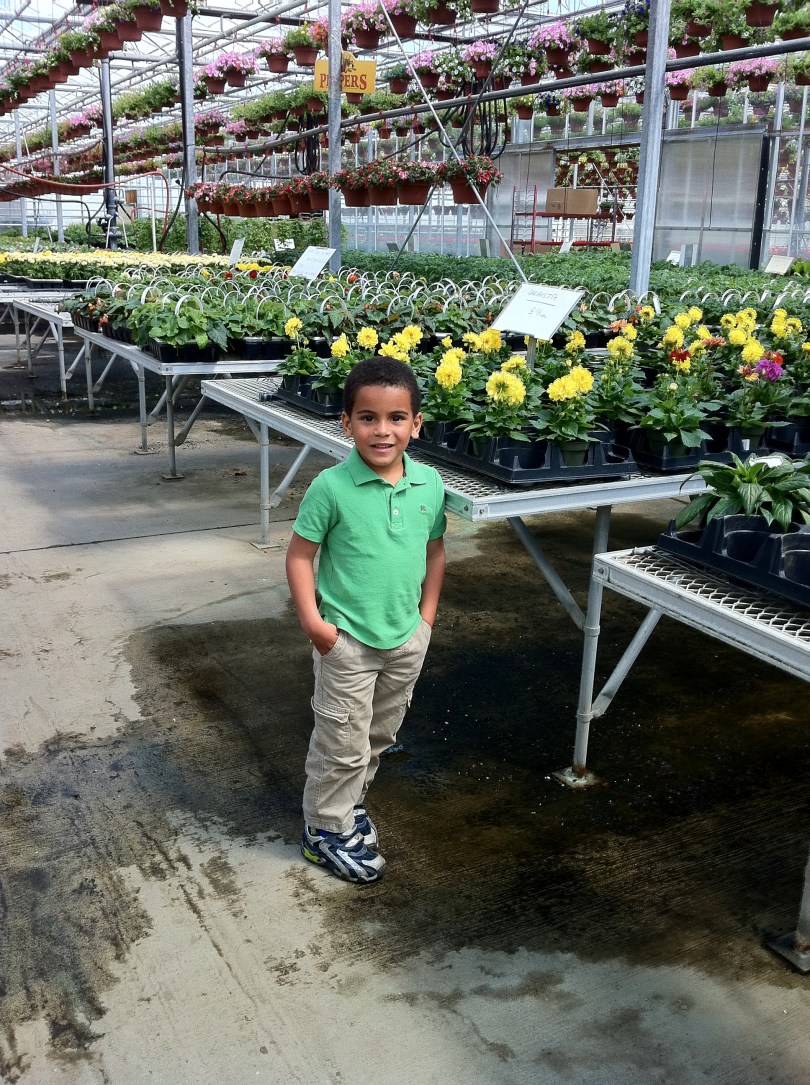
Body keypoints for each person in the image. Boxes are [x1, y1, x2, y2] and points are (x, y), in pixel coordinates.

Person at [285, 356, 446, 884]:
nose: (383, 431)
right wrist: (315, 625)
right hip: (348, 642)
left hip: (405, 638)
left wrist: (425, 619)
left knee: (377, 734)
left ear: (416, 424)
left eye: (396, 418)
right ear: (346, 423)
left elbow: (435, 550)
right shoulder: (331, 488)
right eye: (368, 418)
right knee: (341, 742)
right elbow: (300, 556)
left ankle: (347, 805)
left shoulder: (429, 484)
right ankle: (323, 830)